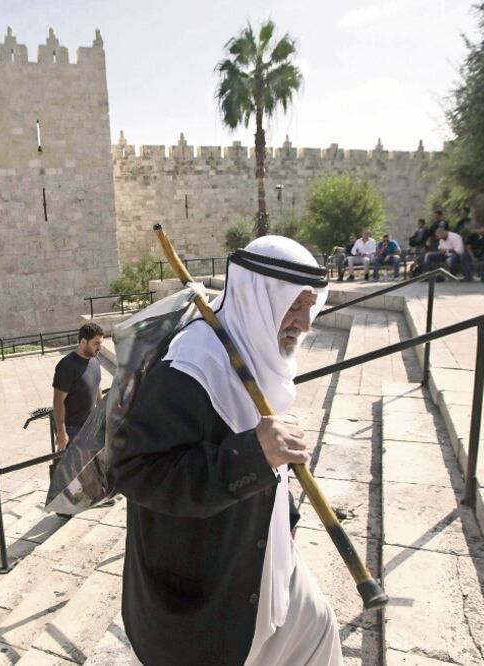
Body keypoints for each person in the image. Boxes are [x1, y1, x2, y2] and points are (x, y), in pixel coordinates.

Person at [107, 236, 342, 666]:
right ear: (258, 300)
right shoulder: (187, 370)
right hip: (209, 589)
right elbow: (135, 470)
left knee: (318, 633)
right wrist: (253, 453)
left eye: (311, 306)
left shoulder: (253, 352)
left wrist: (284, 515)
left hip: (268, 556)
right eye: (294, 307)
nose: (305, 323)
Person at [52, 323, 105, 451]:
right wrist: (61, 432)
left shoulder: (94, 361)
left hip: (90, 426)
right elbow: (58, 400)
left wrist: (105, 414)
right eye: (96, 344)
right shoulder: (67, 366)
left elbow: (97, 388)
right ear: (83, 342)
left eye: (101, 343)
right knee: (70, 469)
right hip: (72, 430)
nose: (100, 348)